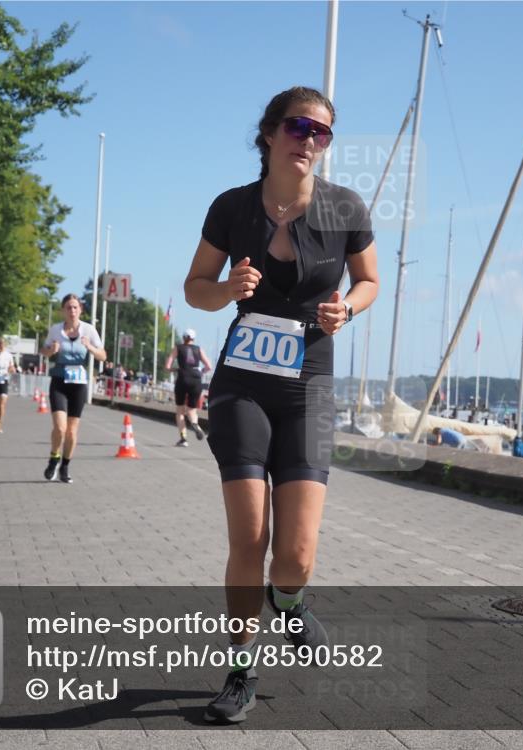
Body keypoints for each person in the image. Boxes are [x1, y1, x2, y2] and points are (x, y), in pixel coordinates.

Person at [184, 86, 378, 724]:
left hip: (309, 387)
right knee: (250, 534)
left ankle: (288, 603)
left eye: (322, 132)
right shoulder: (233, 207)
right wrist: (227, 290)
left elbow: (370, 280)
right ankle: (240, 669)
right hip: (243, 382)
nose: (310, 140)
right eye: (299, 127)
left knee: (295, 553)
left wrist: (346, 307)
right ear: (269, 133)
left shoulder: (345, 207)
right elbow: (194, 289)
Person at [39, 294, 106, 483]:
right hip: (59, 381)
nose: (72, 311)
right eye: (68, 307)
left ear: (80, 310)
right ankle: (54, 458)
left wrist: (90, 348)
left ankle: (65, 467)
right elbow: (42, 351)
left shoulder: (89, 330)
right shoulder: (55, 330)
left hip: (78, 383)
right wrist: (51, 351)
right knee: (60, 428)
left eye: (75, 307)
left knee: (71, 430)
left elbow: (103, 355)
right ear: (63, 310)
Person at [165, 329, 213, 446]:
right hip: (196, 379)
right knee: (192, 409)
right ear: (193, 338)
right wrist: (200, 371)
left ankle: (183, 438)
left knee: (180, 410)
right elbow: (209, 366)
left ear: (183, 337)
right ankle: (196, 425)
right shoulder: (198, 349)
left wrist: (175, 370)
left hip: (182, 377)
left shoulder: (178, 348)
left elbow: (167, 366)